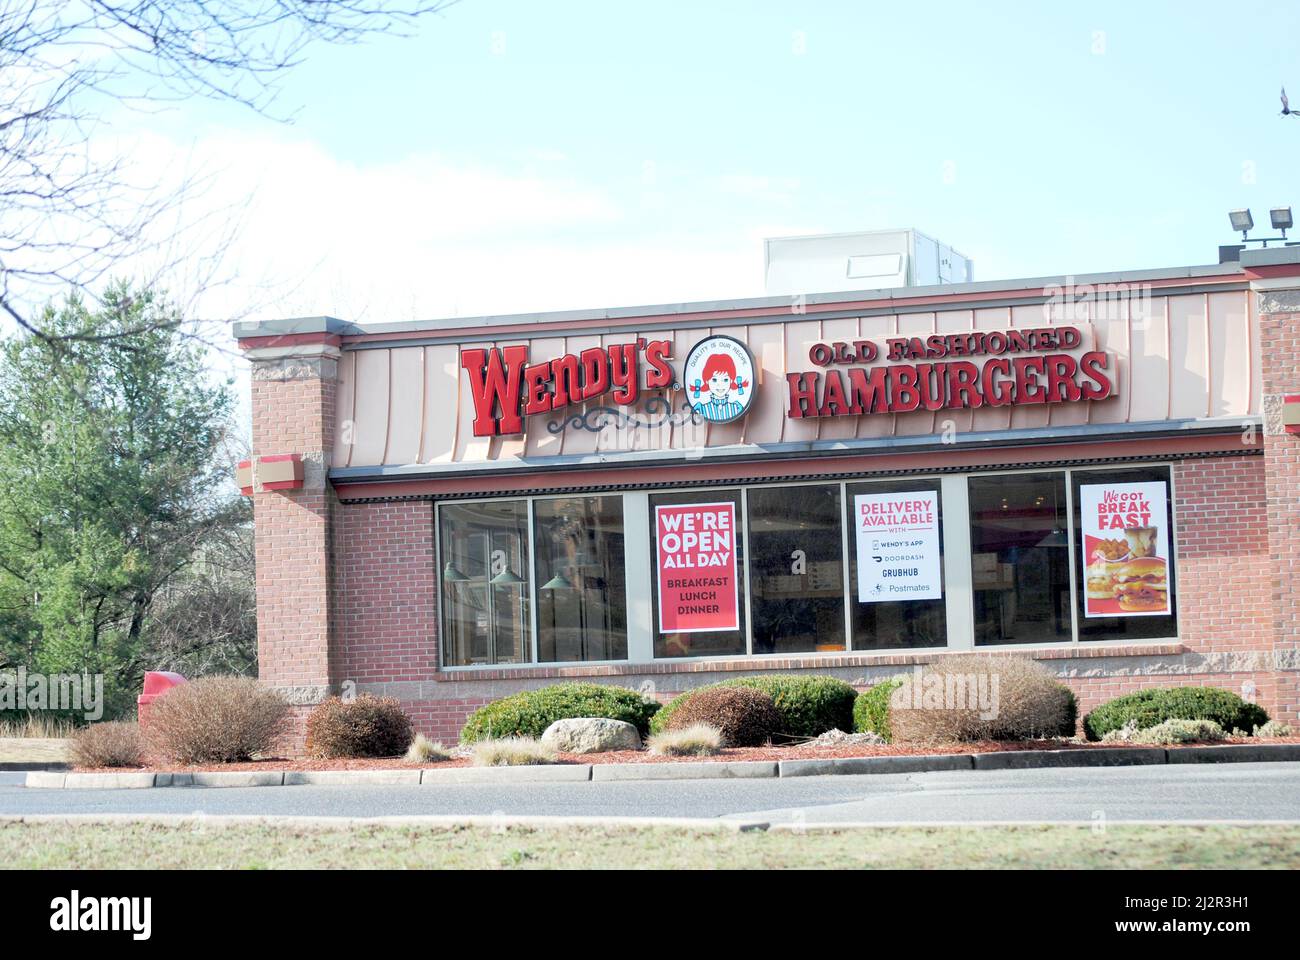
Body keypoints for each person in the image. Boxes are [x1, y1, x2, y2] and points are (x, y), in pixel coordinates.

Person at [691, 353, 746, 421]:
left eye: (725, 380)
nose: (720, 385)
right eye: (714, 380)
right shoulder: (702, 408)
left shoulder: (736, 408)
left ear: (731, 380)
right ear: (707, 381)